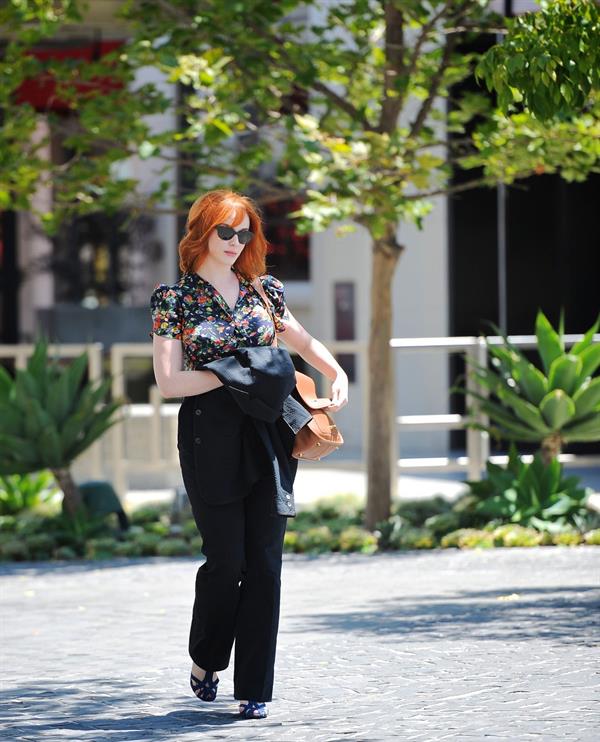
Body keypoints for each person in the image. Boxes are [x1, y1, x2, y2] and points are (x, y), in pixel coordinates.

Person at [150, 189, 349, 719]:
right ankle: (206, 658)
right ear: (201, 233)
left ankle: (255, 686)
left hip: (269, 436)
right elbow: (170, 381)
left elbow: (303, 343)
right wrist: (233, 375)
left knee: (265, 562)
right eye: (226, 232)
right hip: (208, 437)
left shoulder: (264, 292)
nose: (236, 243)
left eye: (244, 233)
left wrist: (336, 369)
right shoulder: (175, 300)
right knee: (227, 562)